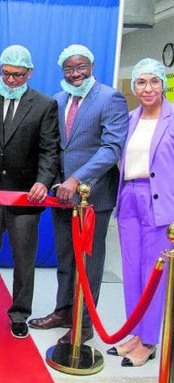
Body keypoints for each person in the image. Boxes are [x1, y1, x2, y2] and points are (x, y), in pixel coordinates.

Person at [29, 44, 128, 344]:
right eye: (69, 69)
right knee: (65, 260)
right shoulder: (59, 100)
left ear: (92, 66)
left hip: (93, 197)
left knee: (88, 261)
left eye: (81, 67)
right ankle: (63, 310)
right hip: (63, 197)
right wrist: (55, 182)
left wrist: (76, 179)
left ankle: (84, 324)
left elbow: (111, 148)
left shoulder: (110, 98)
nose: (76, 73)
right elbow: (56, 148)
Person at [0, 45, 59, 339]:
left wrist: (44, 181)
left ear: (29, 73)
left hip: (25, 198)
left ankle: (20, 313)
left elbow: (49, 150)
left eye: (18, 75)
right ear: (0, 70)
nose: (11, 80)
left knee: (24, 259)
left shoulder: (45, 105)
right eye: (6, 74)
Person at [108, 58, 173, 367]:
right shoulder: (130, 118)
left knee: (153, 272)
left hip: (159, 202)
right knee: (131, 271)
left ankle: (148, 341)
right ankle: (134, 333)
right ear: (133, 87)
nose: (148, 88)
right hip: (130, 196)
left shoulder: (173, 119)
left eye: (154, 81)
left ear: (163, 84)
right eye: (141, 82)